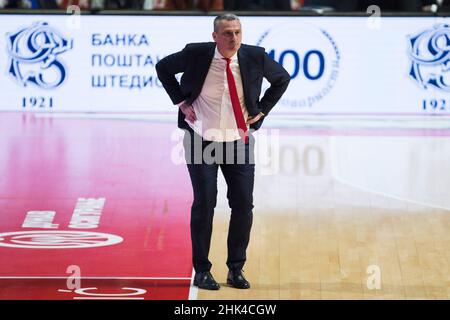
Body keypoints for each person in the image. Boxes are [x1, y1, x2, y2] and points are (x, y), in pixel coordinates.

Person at [156, 13, 290, 290]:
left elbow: (282, 79)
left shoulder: (254, 57)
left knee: (243, 205)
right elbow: (163, 67)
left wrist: (262, 109)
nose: (233, 38)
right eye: (227, 33)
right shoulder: (197, 54)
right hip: (200, 139)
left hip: (238, 141)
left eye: (238, 32)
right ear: (215, 36)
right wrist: (180, 101)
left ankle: (235, 269)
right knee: (204, 205)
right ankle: (202, 270)